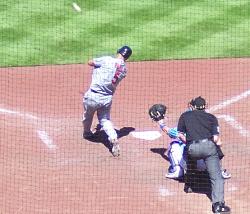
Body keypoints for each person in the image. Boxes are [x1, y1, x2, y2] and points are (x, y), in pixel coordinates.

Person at [177, 96, 231, 213]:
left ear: (193, 106)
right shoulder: (211, 118)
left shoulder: (185, 116)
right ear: (205, 106)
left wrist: (191, 143)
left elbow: (180, 135)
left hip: (192, 148)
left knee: (187, 154)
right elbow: (216, 138)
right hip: (208, 148)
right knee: (217, 177)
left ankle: (189, 185)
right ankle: (218, 206)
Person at [82, 45, 132, 157]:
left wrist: (98, 68)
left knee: (88, 116)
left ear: (118, 51)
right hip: (107, 98)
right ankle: (113, 137)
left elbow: (90, 62)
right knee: (104, 119)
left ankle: (87, 133)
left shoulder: (107, 60)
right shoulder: (124, 70)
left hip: (93, 95)